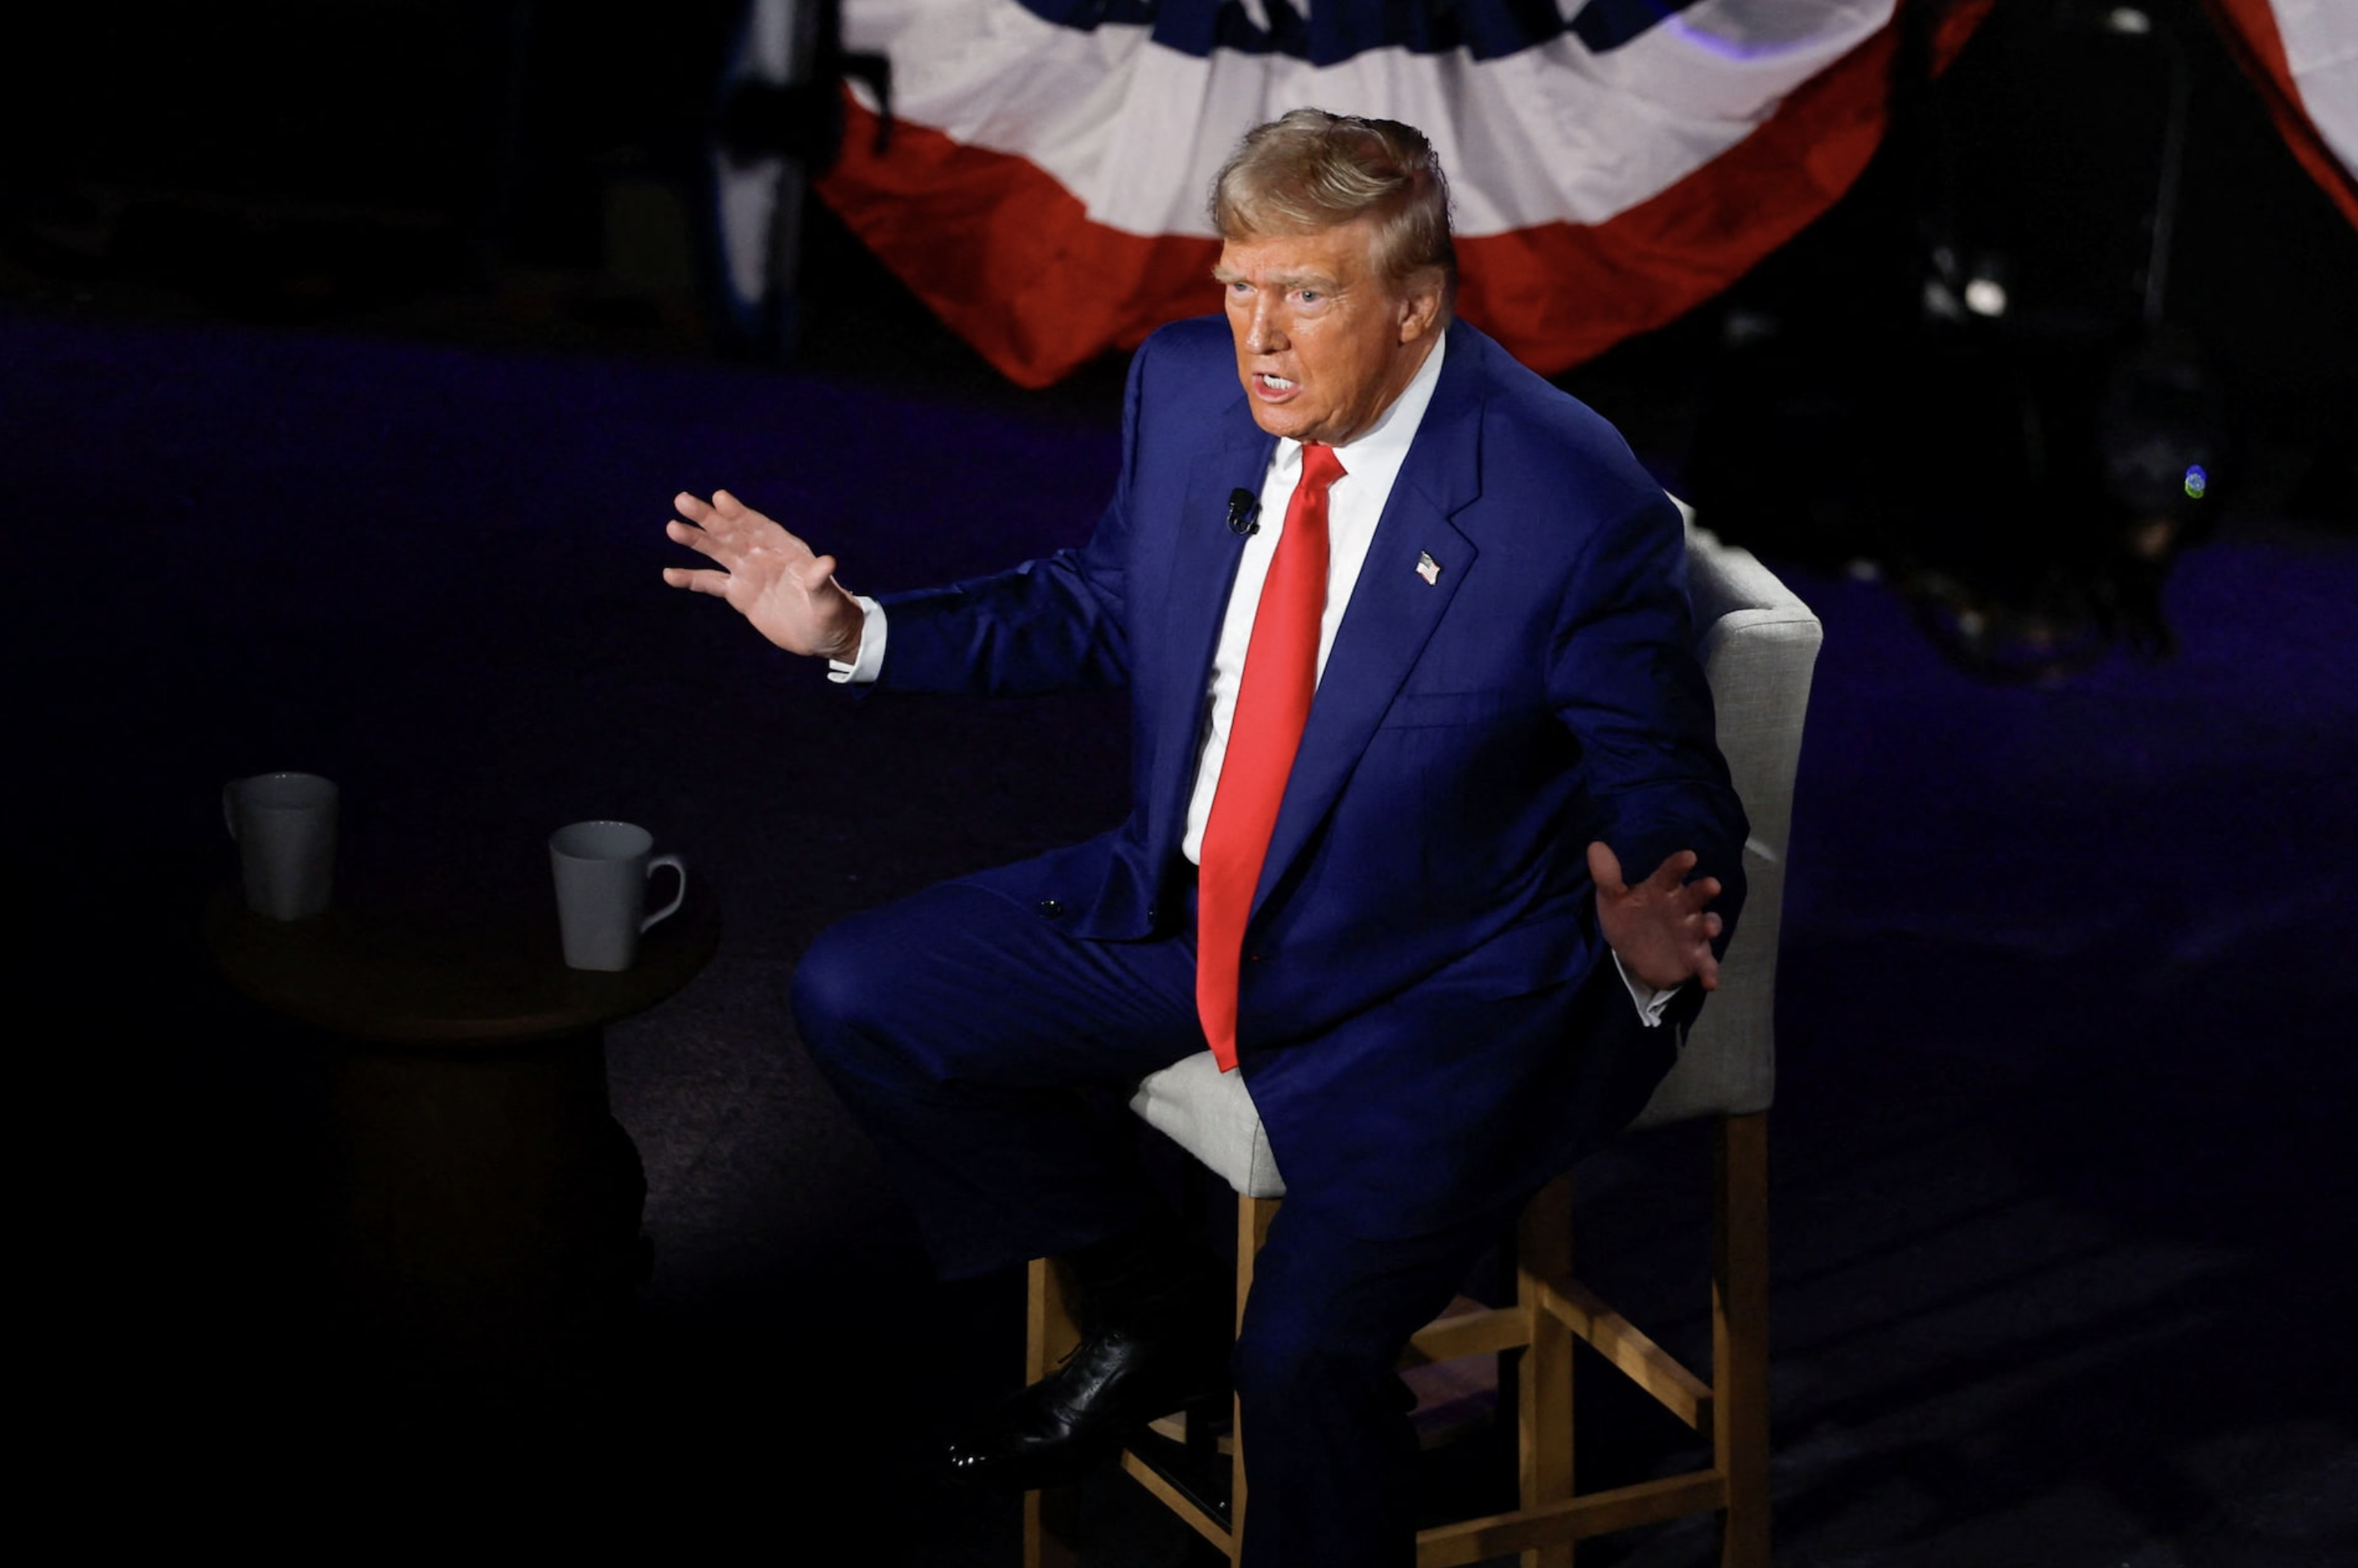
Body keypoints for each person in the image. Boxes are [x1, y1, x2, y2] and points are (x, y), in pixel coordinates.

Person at [662, 109, 1746, 1568]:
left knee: (1298, 1361)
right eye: (1238, 285)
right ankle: (1155, 1306)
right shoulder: (1183, 391)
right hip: (1191, 913)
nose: (1258, 339)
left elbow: (1663, 773)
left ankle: (1249, 1382)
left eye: (1306, 294)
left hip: (1426, 987)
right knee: (864, 991)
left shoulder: (1566, 495)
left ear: (1417, 307)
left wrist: (1657, 913)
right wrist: (858, 629)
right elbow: (1100, 600)